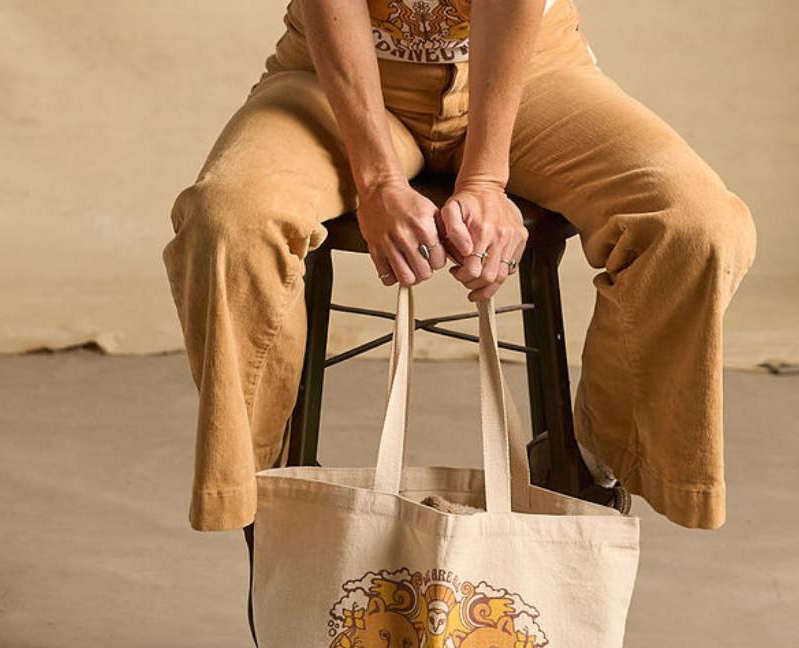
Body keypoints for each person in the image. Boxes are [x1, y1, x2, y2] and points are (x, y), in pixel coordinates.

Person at [163, 0, 757, 534]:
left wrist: (483, 179)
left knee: (694, 224)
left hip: (532, 72)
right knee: (227, 222)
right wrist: (378, 181)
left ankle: (593, 461)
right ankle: (272, 484)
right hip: (337, 74)